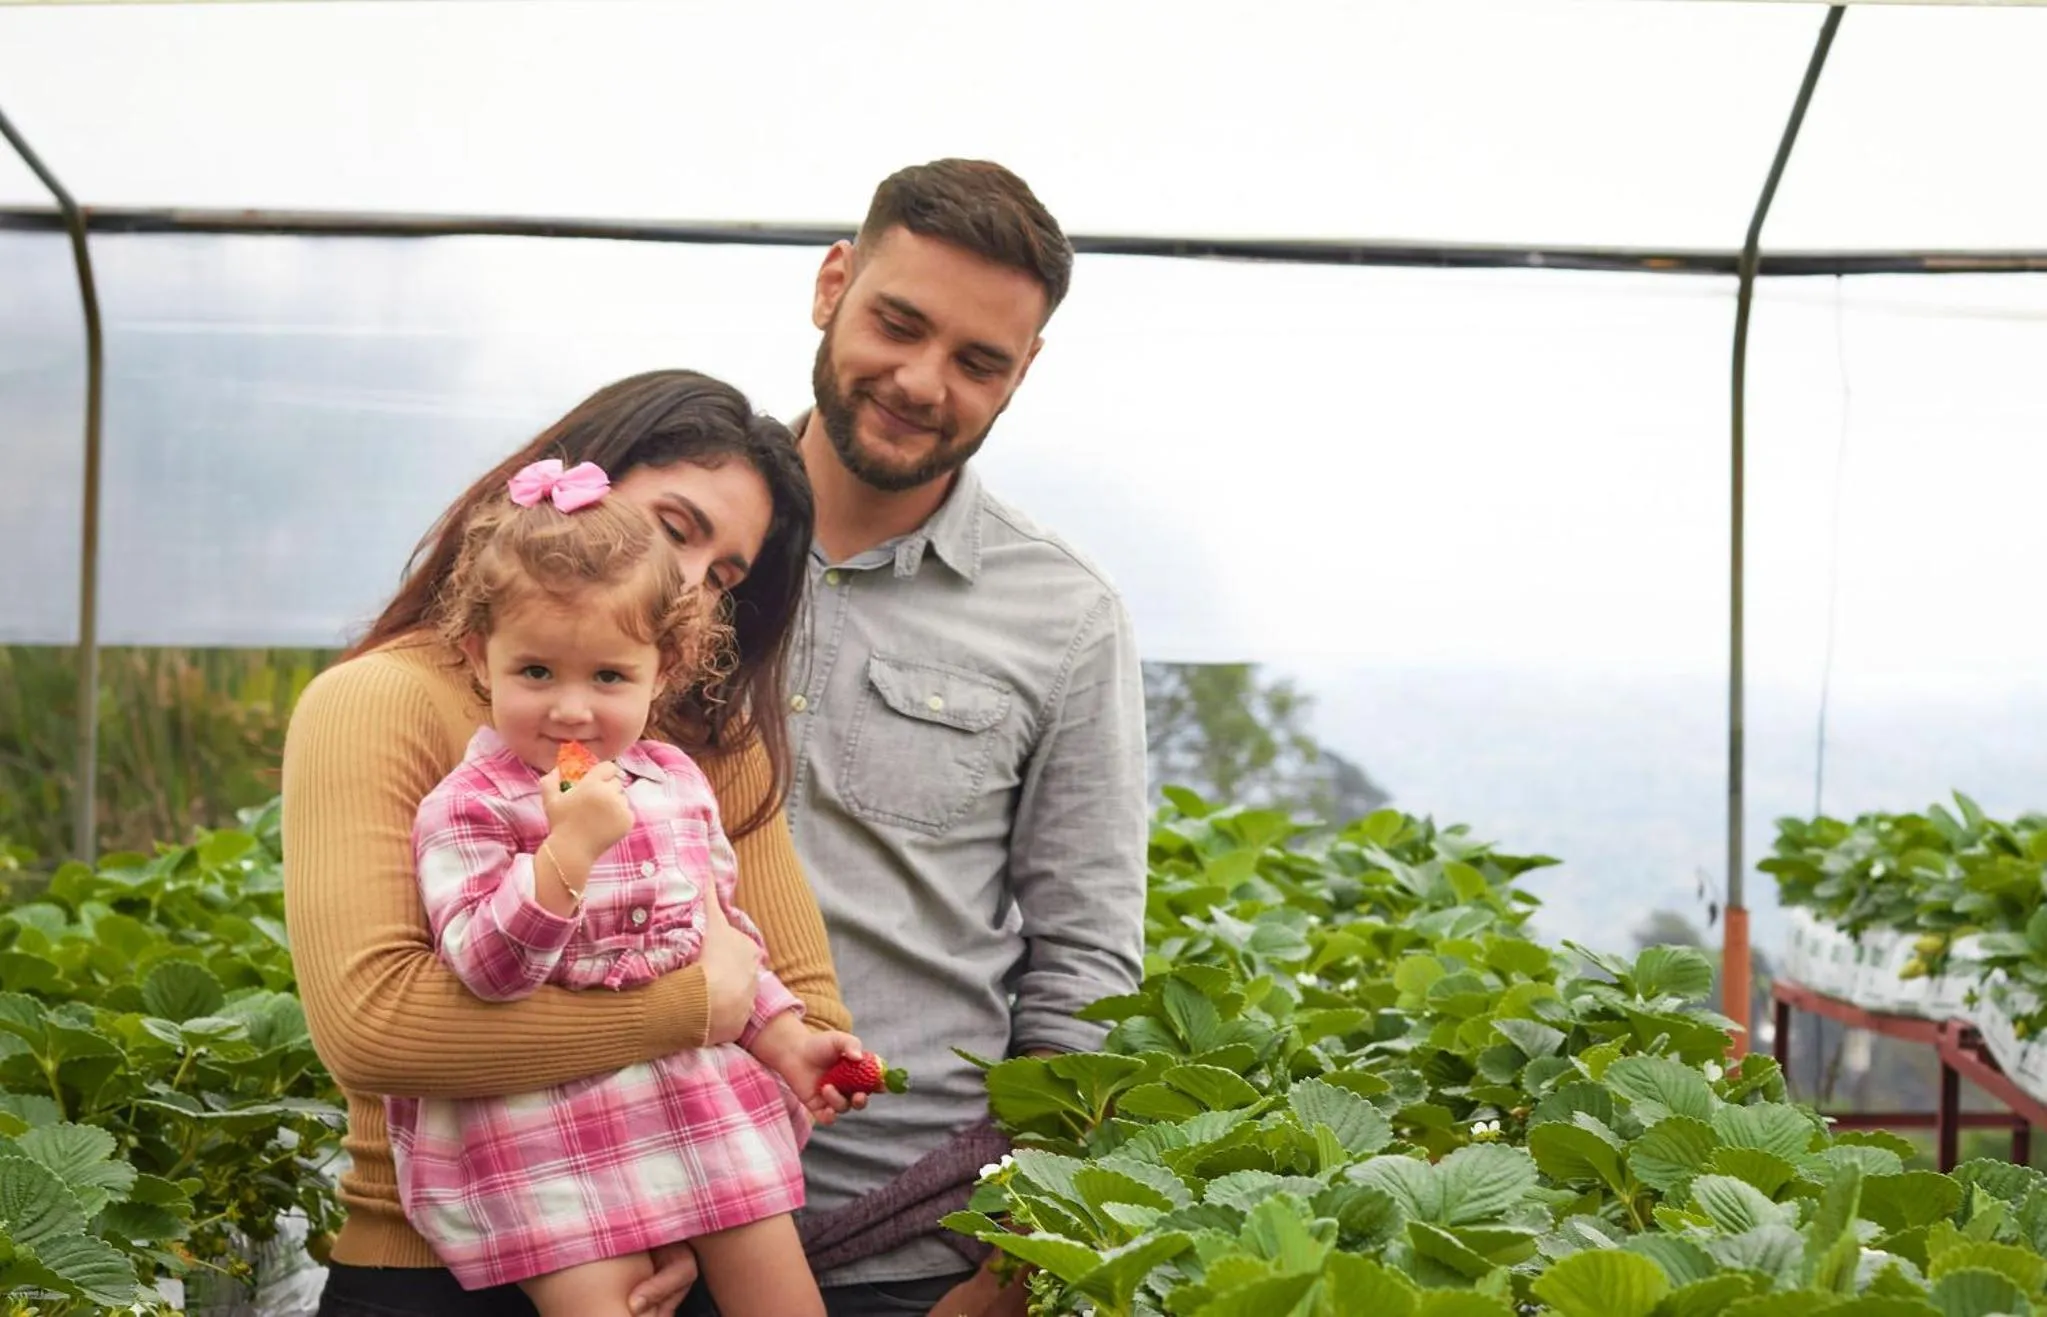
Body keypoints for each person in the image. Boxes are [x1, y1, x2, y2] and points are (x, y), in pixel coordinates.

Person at [284, 371, 862, 1317]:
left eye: (723, 575)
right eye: (677, 527)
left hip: (685, 1234)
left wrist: (665, 1201)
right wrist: (693, 1003)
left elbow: (796, 986)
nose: (687, 579)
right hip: (432, 1268)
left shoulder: (700, 747)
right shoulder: (376, 701)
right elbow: (378, 1024)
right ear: (571, 487)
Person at [776, 160, 1150, 1316]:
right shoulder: (672, 540)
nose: (922, 381)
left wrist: (1007, 1271)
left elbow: (1085, 967)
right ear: (834, 284)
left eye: (980, 360)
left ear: (1022, 373)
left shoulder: (1065, 615)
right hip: (607, 1217)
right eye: (898, 323)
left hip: (898, 1251)